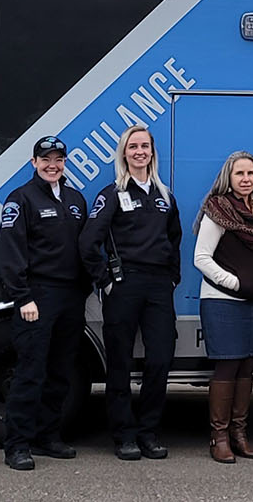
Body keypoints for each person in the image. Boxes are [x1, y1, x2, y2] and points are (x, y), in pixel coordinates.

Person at [79, 124, 183, 462]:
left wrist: (172, 278)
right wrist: (105, 280)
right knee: (120, 363)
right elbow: (88, 242)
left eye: (145, 146)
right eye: (133, 146)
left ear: (152, 151)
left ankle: (148, 433)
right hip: (124, 286)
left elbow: (175, 240)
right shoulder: (111, 194)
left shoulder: (165, 196)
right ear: (124, 153)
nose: (139, 152)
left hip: (158, 287)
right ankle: (124, 435)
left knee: (159, 360)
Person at [0, 135, 88, 471]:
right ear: (33, 162)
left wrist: (86, 287)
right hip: (37, 296)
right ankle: (17, 446)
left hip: (70, 297)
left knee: (61, 372)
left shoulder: (76, 199)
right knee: (30, 372)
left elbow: (84, 248)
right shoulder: (20, 199)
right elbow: (10, 251)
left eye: (58, 159)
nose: (52, 165)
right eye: (45, 159)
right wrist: (23, 296)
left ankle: (48, 437)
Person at [193, 151, 253, 464]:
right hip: (222, 301)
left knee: (247, 366)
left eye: (250, 174)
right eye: (239, 174)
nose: (245, 179)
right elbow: (201, 258)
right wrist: (235, 284)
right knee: (227, 365)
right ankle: (219, 437)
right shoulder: (218, 210)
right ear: (229, 177)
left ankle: (240, 434)